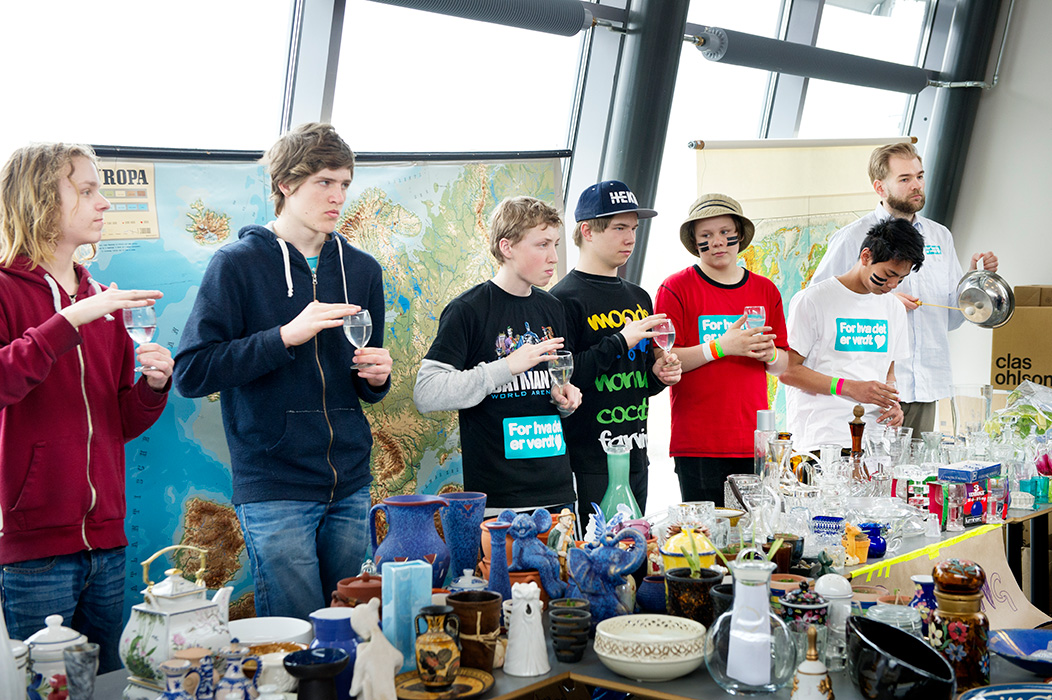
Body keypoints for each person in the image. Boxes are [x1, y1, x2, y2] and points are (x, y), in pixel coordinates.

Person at [174, 123, 392, 620]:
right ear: (286, 185)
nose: (338, 196)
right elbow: (192, 371)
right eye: (325, 182)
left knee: (353, 627)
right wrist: (283, 337)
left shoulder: (362, 269)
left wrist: (376, 379)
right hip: (275, 486)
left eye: (344, 184)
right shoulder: (235, 265)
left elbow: (362, 378)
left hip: (351, 482)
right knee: (294, 635)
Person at [0, 143, 173, 671]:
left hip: (107, 541)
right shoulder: (5, 290)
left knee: (104, 685)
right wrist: (69, 321)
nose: (103, 203)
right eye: (87, 190)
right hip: (33, 550)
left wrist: (153, 386)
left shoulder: (102, 299)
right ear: (39, 200)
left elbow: (119, 421)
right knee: (45, 688)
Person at [810, 142, 998, 434]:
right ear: (880, 187)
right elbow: (818, 307)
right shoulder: (852, 237)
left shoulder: (940, 235)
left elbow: (952, 316)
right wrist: (882, 299)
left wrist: (974, 282)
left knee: (918, 474)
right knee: (871, 475)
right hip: (872, 388)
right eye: (905, 179)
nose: (917, 185)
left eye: (920, 176)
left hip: (926, 384)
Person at [414, 196, 582, 514]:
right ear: (507, 247)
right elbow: (427, 393)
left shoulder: (553, 307)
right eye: (542, 245)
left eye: (556, 244)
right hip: (498, 500)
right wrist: (505, 367)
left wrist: (566, 399)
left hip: (558, 492)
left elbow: (555, 386)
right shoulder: (468, 310)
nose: (554, 257)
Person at [549, 180, 681, 519]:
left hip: (637, 452)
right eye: (619, 227)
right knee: (594, 561)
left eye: (634, 228)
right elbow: (567, 377)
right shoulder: (562, 299)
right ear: (588, 231)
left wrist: (660, 375)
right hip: (588, 459)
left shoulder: (639, 297)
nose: (630, 239)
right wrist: (621, 340)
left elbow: (640, 380)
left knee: (634, 557)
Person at [654, 194, 789, 504]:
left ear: (739, 235)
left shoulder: (765, 289)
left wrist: (770, 355)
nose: (717, 242)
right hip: (698, 444)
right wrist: (719, 347)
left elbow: (782, 365)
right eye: (706, 235)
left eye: (725, 232)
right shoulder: (675, 288)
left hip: (754, 442)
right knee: (705, 542)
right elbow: (665, 361)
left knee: (755, 540)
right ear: (694, 240)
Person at [781, 217, 925, 451]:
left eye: (901, 278)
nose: (893, 284)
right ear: (866, 256)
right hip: (823, 441)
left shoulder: (894, 308)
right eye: (888, 274)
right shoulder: (813, 300)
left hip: (875, 443)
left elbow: (888, 372)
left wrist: (893, 405)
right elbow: (788, 371)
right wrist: (848, 387)